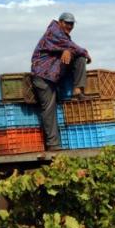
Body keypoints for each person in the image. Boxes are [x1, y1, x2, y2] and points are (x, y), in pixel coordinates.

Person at [31, 12, 91, 151]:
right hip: (43, 76)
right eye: (67, 23)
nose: (70, 26)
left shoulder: (63, 36)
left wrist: (68, 50)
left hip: (54, 75)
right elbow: (74, 47)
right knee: (49, 109)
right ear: (60, 22)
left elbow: (70, 46)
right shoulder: (54, 32)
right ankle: (53, 145)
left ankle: (78, 89)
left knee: (79, 58)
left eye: (72, 24)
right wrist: (80, 51)